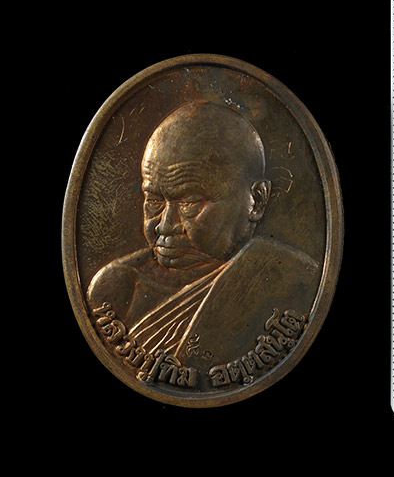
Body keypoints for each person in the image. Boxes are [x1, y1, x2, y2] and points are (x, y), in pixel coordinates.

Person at [87, 100, 320, 376]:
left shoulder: (296, 281)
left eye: (191, 202)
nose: (165, 225)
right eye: (154, 201)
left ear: (256, 201)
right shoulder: (117, 288)